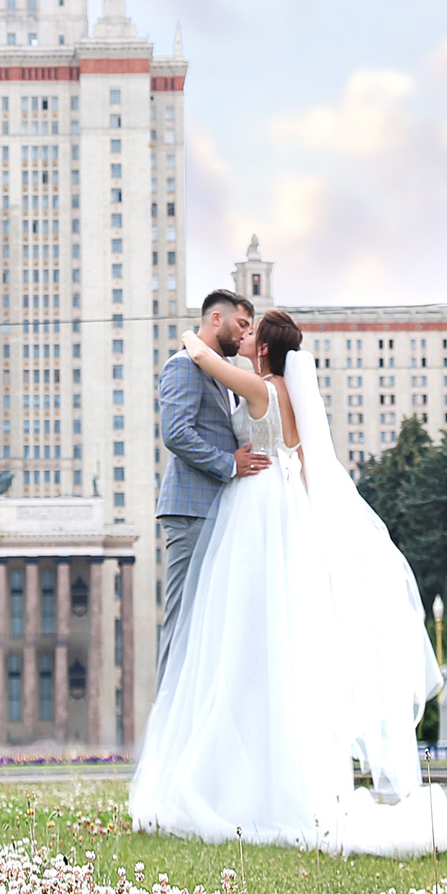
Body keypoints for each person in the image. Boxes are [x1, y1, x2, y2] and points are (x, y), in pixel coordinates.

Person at [130, 305, 447, 855]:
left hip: (257, 508)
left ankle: (239, 783)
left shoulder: (259, 387)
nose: (243, 337)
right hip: (284, 506)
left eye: (251, 332)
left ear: (265, 349)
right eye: (239, 328)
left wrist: (191, 332)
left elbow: (200, 354)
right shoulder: (288, 396)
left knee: (238, 637)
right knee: (279, 646)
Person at [154, 289, 269, 681]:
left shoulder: (221, 374)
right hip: (191, 511)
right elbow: (176, 434)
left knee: (209, 624)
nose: (244, 334)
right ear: (216, 319)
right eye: (241, 325)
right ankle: (167, 718)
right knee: (183, 617)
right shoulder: (184, 366)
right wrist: (229, 465)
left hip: (217, 512)